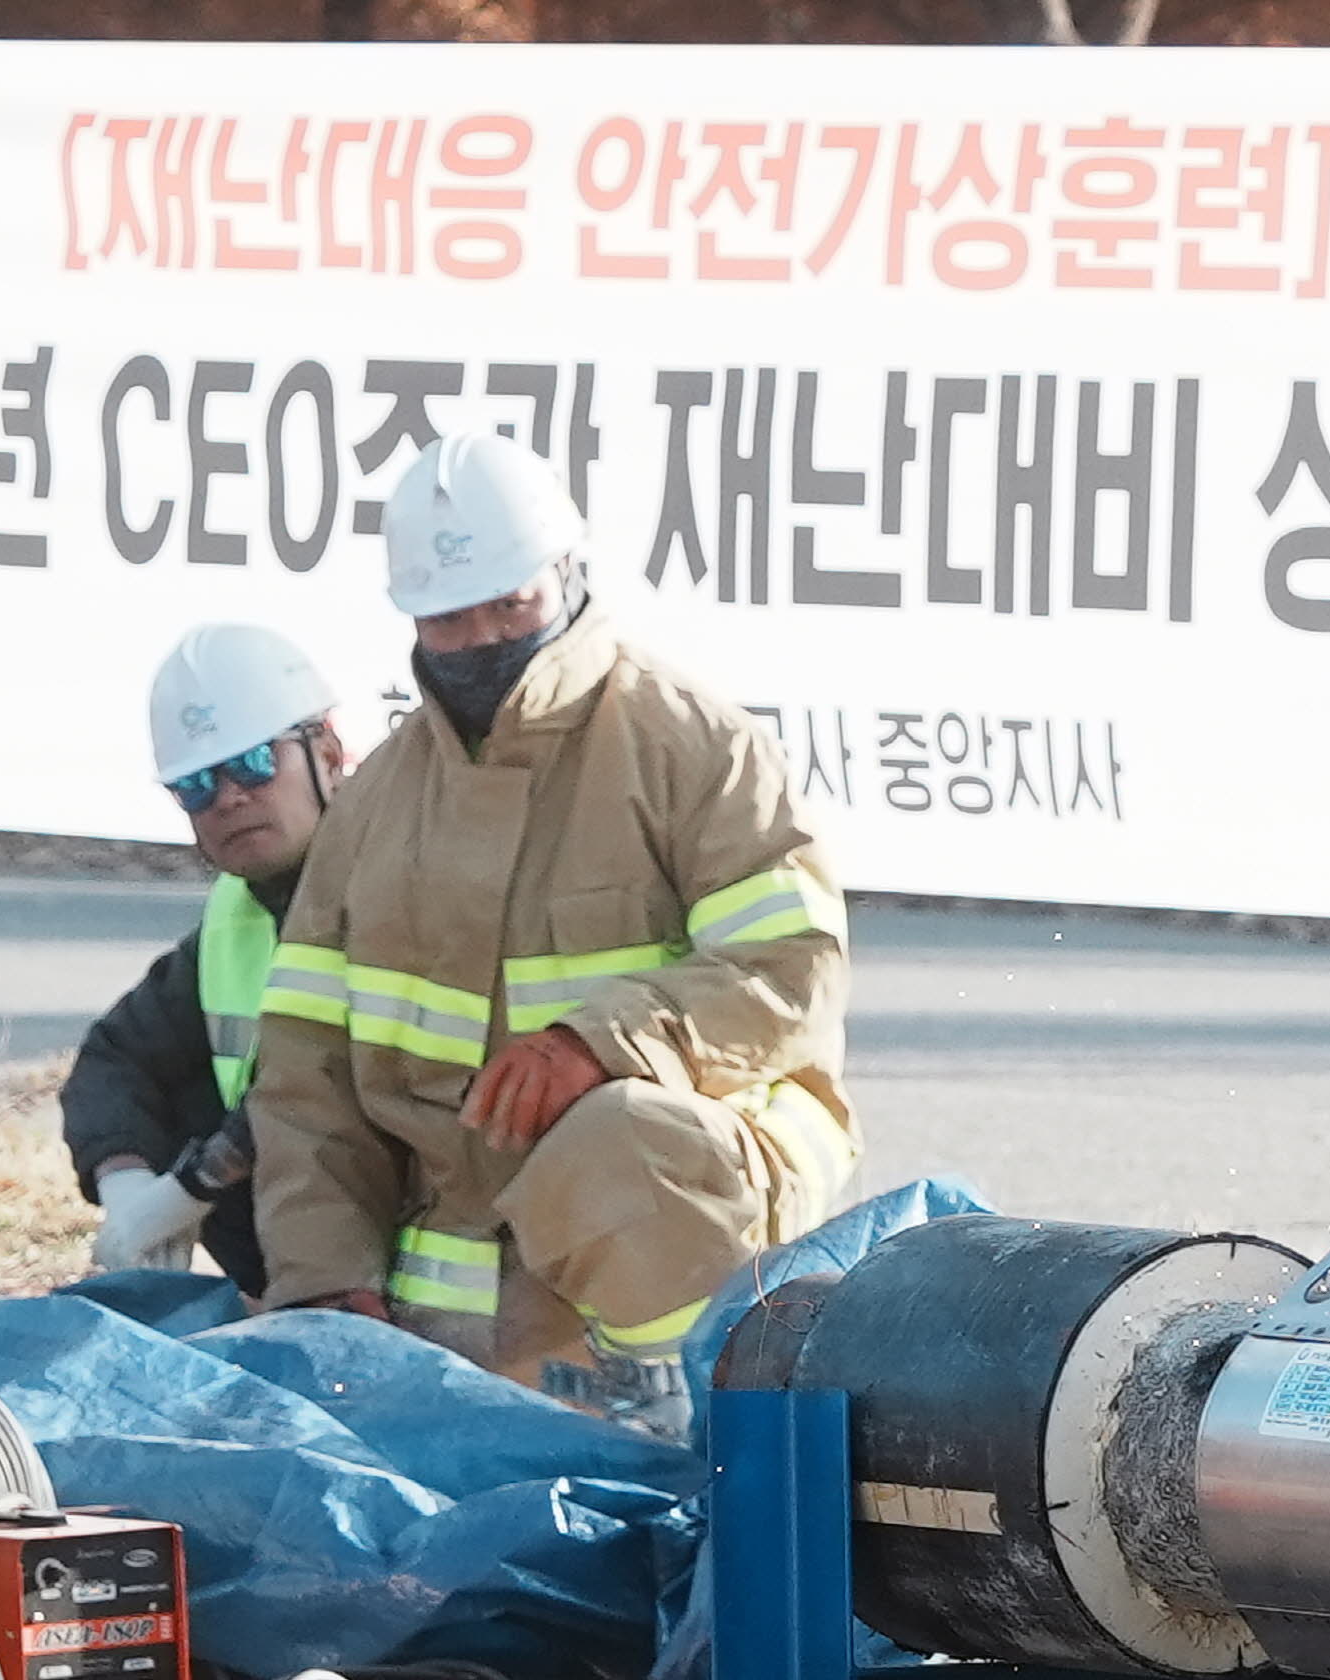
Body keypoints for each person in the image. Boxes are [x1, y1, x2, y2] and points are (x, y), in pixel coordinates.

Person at [247, 432, 859, 1441]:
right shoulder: (374, 810)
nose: (485, 637)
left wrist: (599, 1045)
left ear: (569, 576)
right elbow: (306, 1077)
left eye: (513, 604)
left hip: (684, 1217)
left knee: (619, 1142)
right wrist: (325, 1280)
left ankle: (695, 1425)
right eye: (449, 618)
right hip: (460, 1288)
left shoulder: (695, 750)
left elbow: (790, 974)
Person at [61, 625, 352, 1296]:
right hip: (291, 1253)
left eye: (253, 763)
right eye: (194, 784)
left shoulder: (396, 883)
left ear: (329, 755)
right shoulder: (237, 910)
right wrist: (127, 1181)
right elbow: (116, 1056)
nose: (227, 797)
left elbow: (324, 1084)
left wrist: (191, 1187)